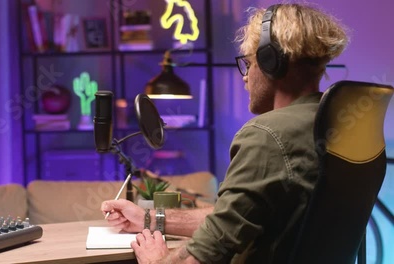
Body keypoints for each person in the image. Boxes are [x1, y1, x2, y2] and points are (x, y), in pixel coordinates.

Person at [101, 3, 349, 263]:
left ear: (270, 61)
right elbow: (229, 220)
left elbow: (203, 256)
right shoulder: (335, 123)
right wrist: (149, 218)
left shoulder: (268, 136)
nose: (245, 77)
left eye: (249, 62)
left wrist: (156, 260)